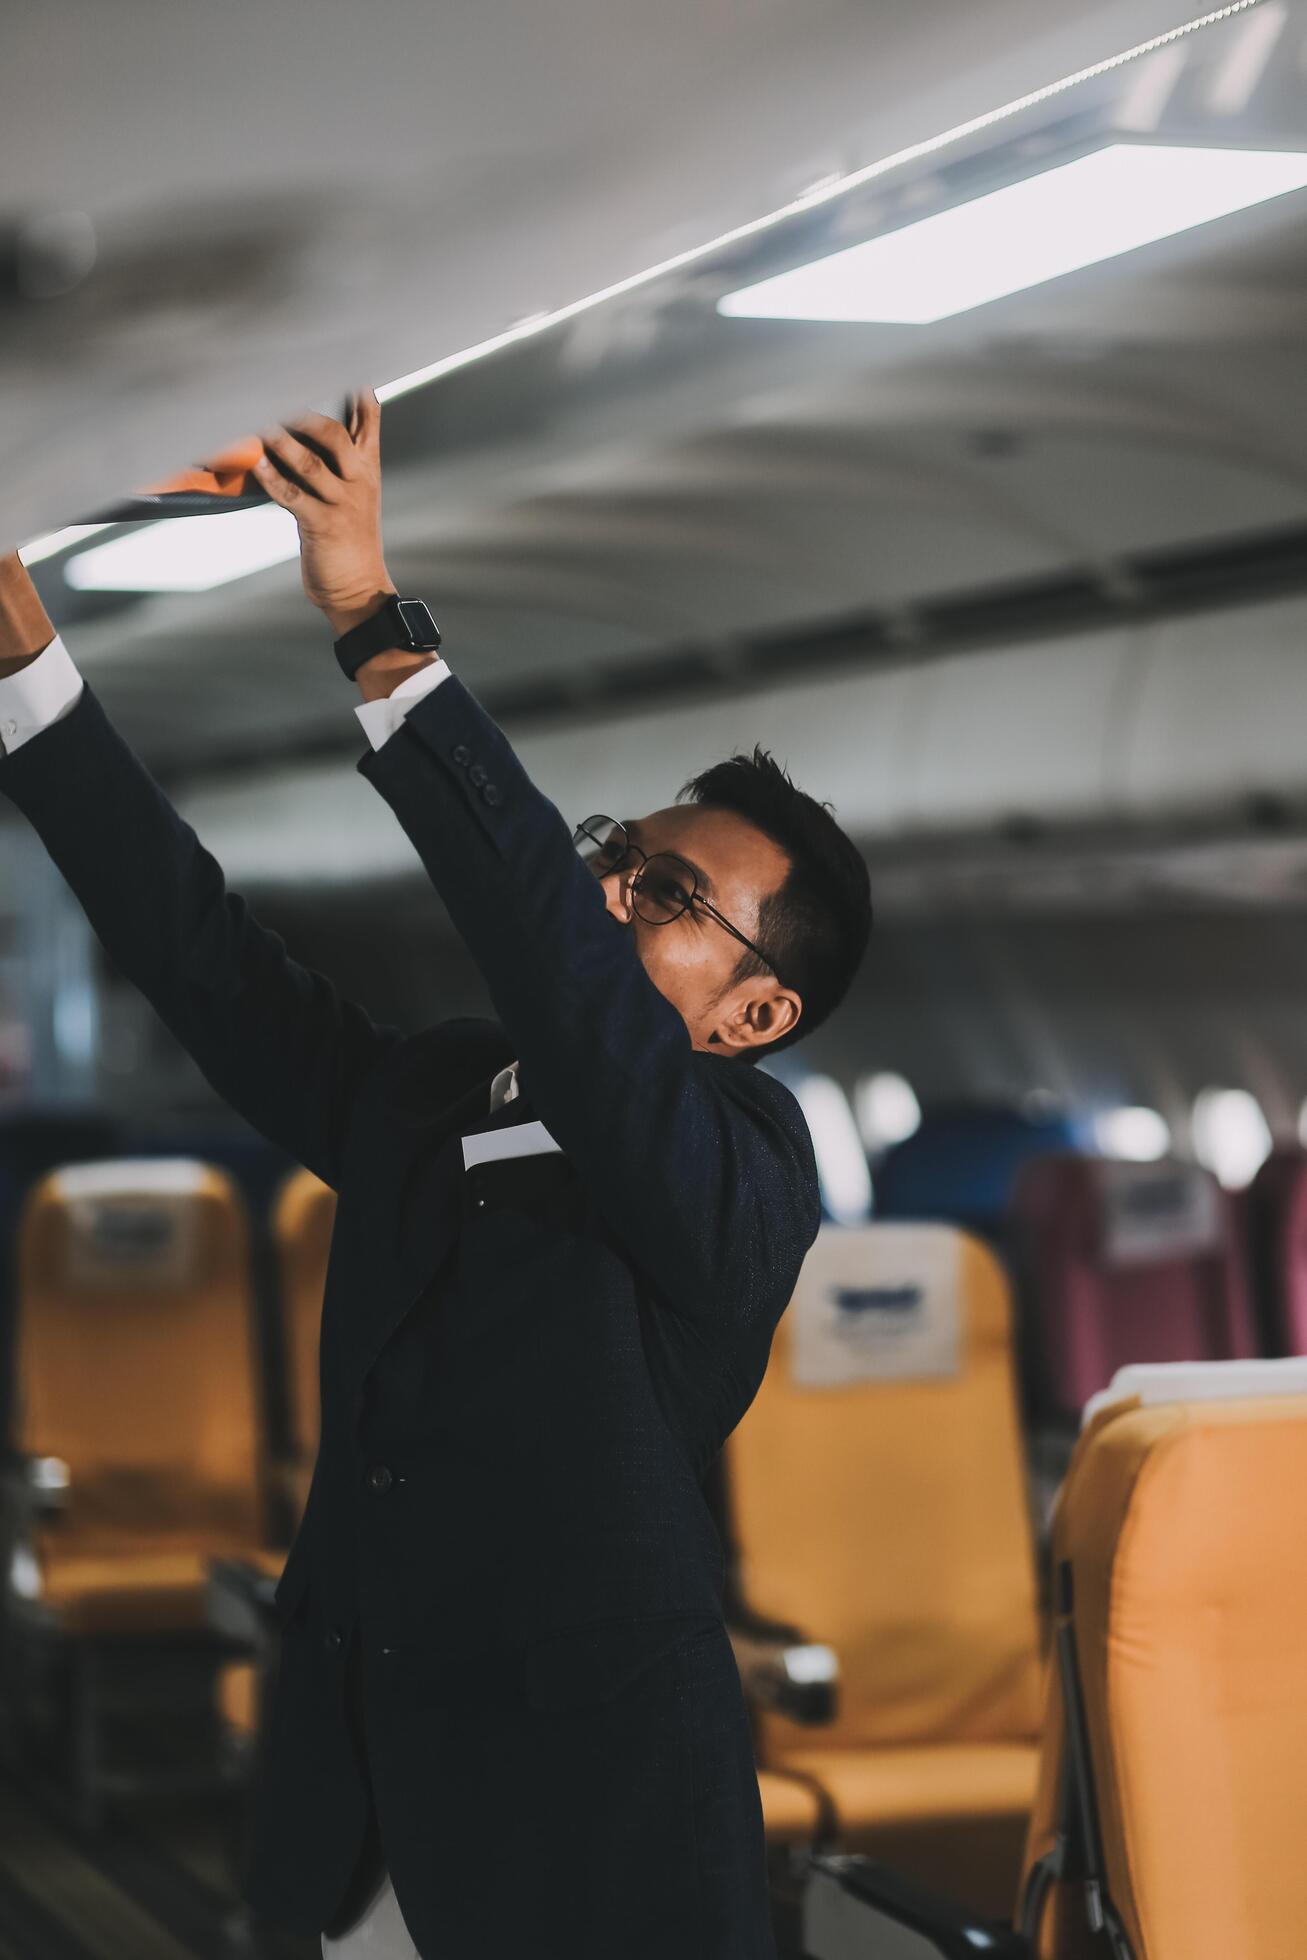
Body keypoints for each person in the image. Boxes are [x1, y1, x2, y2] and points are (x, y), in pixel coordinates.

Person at [0, 389, 872, 1958]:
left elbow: (566, 978)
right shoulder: (436, 1096)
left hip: (584, 1845)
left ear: (755, 1014)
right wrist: (24, 662)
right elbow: (201, 957)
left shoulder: (740, 1175)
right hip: (354, 1813)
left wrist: (373, 623)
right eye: (618, 850)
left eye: (664, 891)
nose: (610, 883)